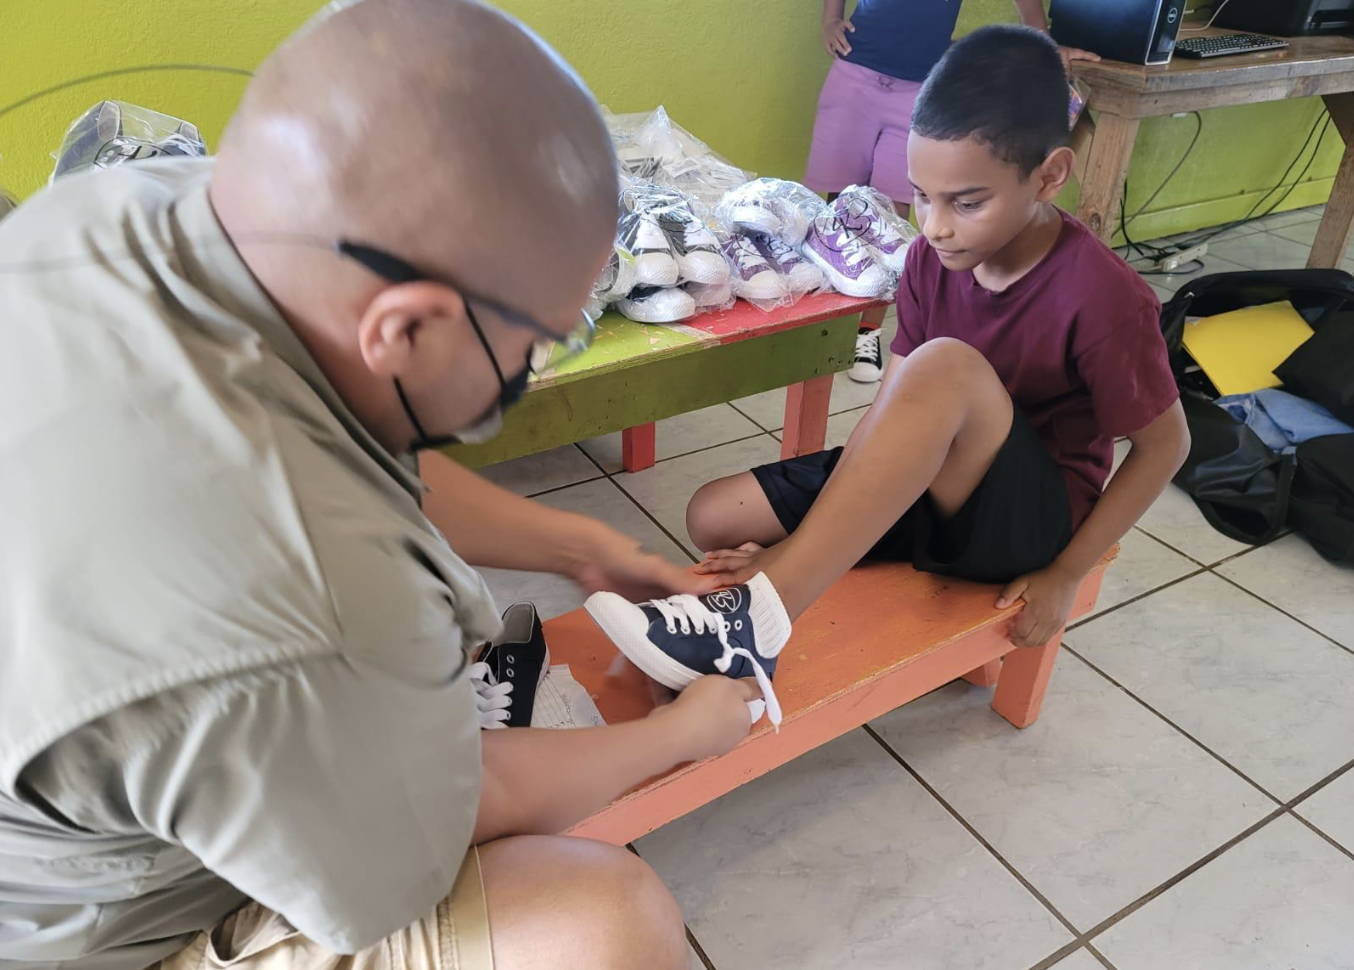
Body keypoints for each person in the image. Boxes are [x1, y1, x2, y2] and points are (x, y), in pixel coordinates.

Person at [0, 3, 756, 970]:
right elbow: (450, 813)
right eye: (533, 348)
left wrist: (587, 548)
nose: (526, 372)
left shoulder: (130, 212)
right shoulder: (308, 600)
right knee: (605, 925)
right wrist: (683, 736)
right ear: (402, 328)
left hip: (55, 798)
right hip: (76, 938)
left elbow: (337, 435)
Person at [585, 26, 1190, 727]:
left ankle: (755, 624)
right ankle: (779, 587)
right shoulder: (934, 259)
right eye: (919, 197)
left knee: (946, 366)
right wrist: (812, 540)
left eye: (965, 201)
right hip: (933, 482)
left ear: (1050, 176)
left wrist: (1066, 572)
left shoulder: (1104, 296)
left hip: (1030, 519)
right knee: (716, 514)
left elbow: (1165, 447)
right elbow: (891, 408)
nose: (933, 226)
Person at [810, 0, 1098, 383]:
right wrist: (830, 20)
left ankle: (868, 335)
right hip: (854, 75)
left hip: (918, 90)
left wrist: (1042, 40)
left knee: (887, 228)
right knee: (833, 217)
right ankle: (817, 332)